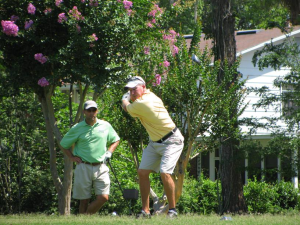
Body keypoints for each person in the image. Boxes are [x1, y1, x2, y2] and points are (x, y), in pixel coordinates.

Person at [121, 76, 184, 218]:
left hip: (172, 140)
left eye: (134, 89)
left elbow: (126, 108)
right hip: (155, 142)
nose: (132, 92)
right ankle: (145, 211)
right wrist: (132, 96)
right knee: (142, 172)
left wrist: (124, 99)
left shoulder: (144, 103)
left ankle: (172, 210)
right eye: (129, 90)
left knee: (165, 172)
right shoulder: (147, 95)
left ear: (143, 87)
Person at [60, 100, 120, 214]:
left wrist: (109, 152)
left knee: (103, 197)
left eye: (94, 110)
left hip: (101, 166)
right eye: (89, 110)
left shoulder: (105, 125)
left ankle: (85, 217)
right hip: (84, 166)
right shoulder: (78, 127)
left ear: (97, 111)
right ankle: (83, 221)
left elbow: (116, 139)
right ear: (84, 112)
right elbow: (63, 144)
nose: (91, 113)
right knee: (84, 200)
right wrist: (72, 157)